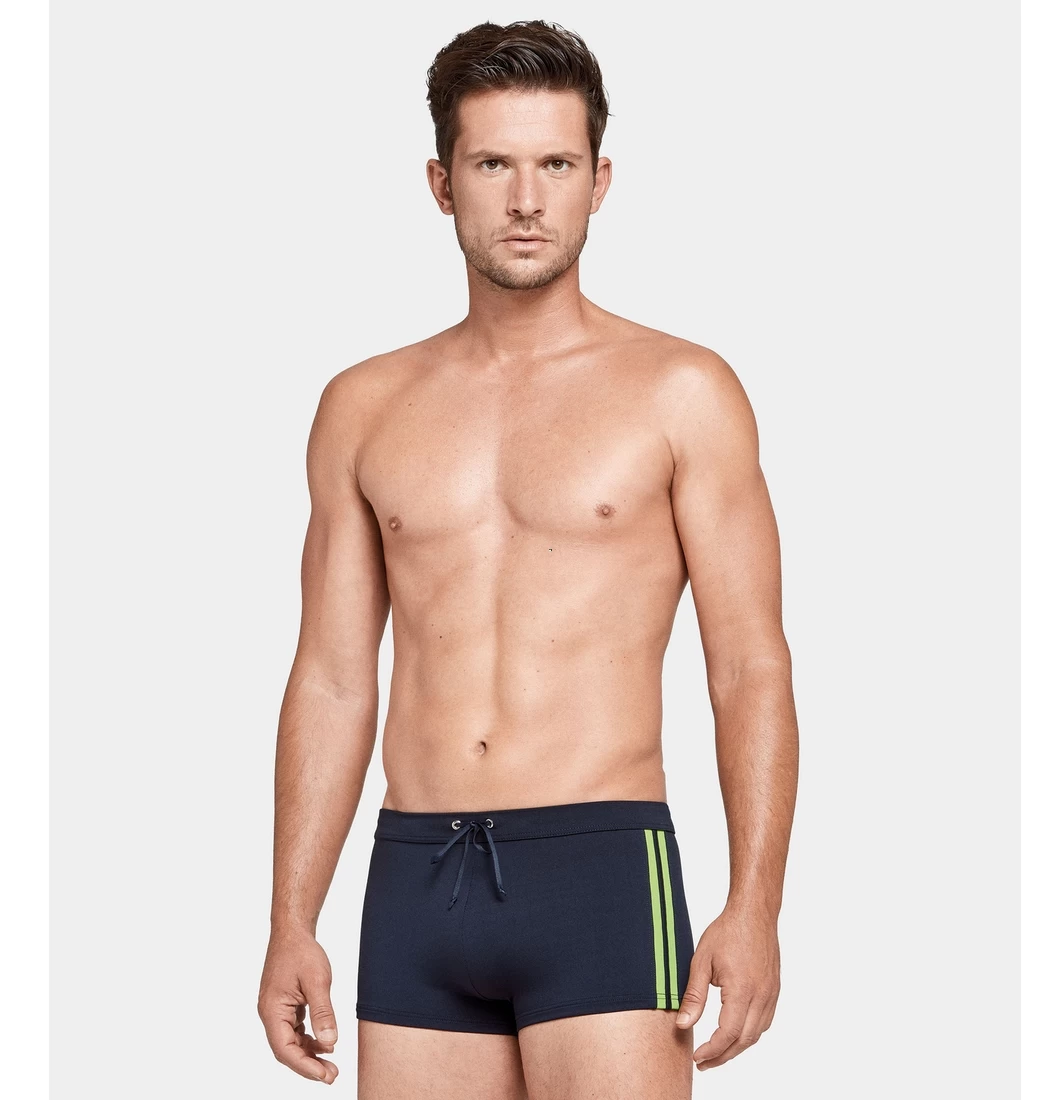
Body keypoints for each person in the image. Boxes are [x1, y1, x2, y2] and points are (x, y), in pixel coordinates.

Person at [257, 19, 798, 1099]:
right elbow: (331, 676)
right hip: (416, 876)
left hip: (601, 870)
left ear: (599, 181)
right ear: (440, 182)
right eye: (492, 164)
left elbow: (749, 666)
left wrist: (756, 904)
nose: (524, 200)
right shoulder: (363, 405)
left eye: (554, 164)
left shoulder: (681, 392)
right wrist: (289, 915)